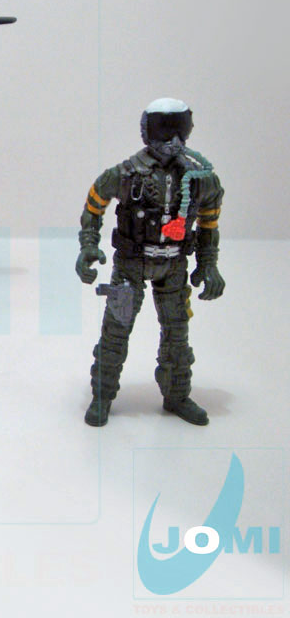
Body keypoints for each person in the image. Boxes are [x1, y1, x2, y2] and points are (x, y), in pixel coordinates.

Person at [76, 98, 224, 426]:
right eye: (163, 129)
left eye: (179, 129)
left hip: (174, 267)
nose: (173, 140)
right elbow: (93, 207)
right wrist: (88, 247)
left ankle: (177, 395)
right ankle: (102, 396)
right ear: (147, 130)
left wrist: (208, 264)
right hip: (131, 265)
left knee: (177, 335)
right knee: (116, 332)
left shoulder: (200, 179)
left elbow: (209, 224)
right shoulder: (124, 175)